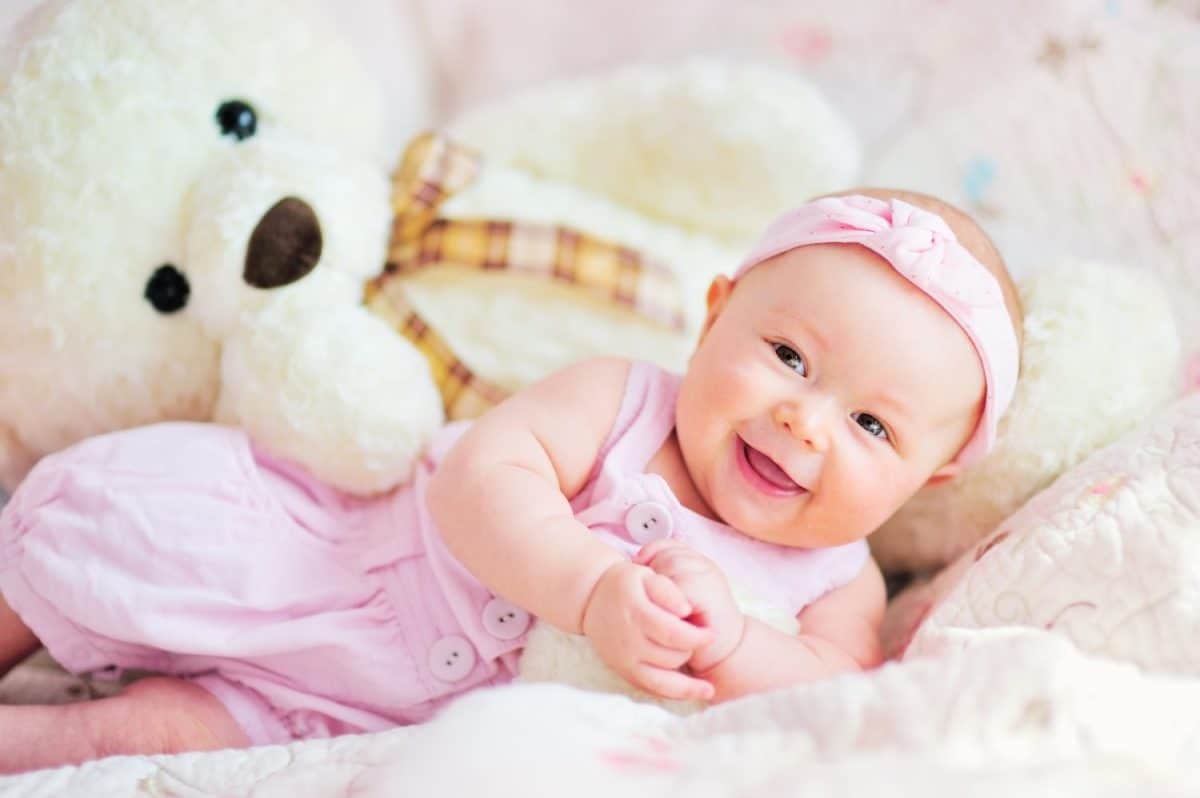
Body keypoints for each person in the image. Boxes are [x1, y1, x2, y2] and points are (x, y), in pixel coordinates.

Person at [0, 190, 1021, 772]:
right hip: (327, 565)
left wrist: (737, 642)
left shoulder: (841, 581)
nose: (805, 418)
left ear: (927, 480)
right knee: (104, 535)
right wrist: (589, 590)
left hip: (362, 723)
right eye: (789, 356)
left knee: (145, 741)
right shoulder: (623, 400)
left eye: (871, 423)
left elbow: (838, 694)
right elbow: (480, 480)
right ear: (718, 312)